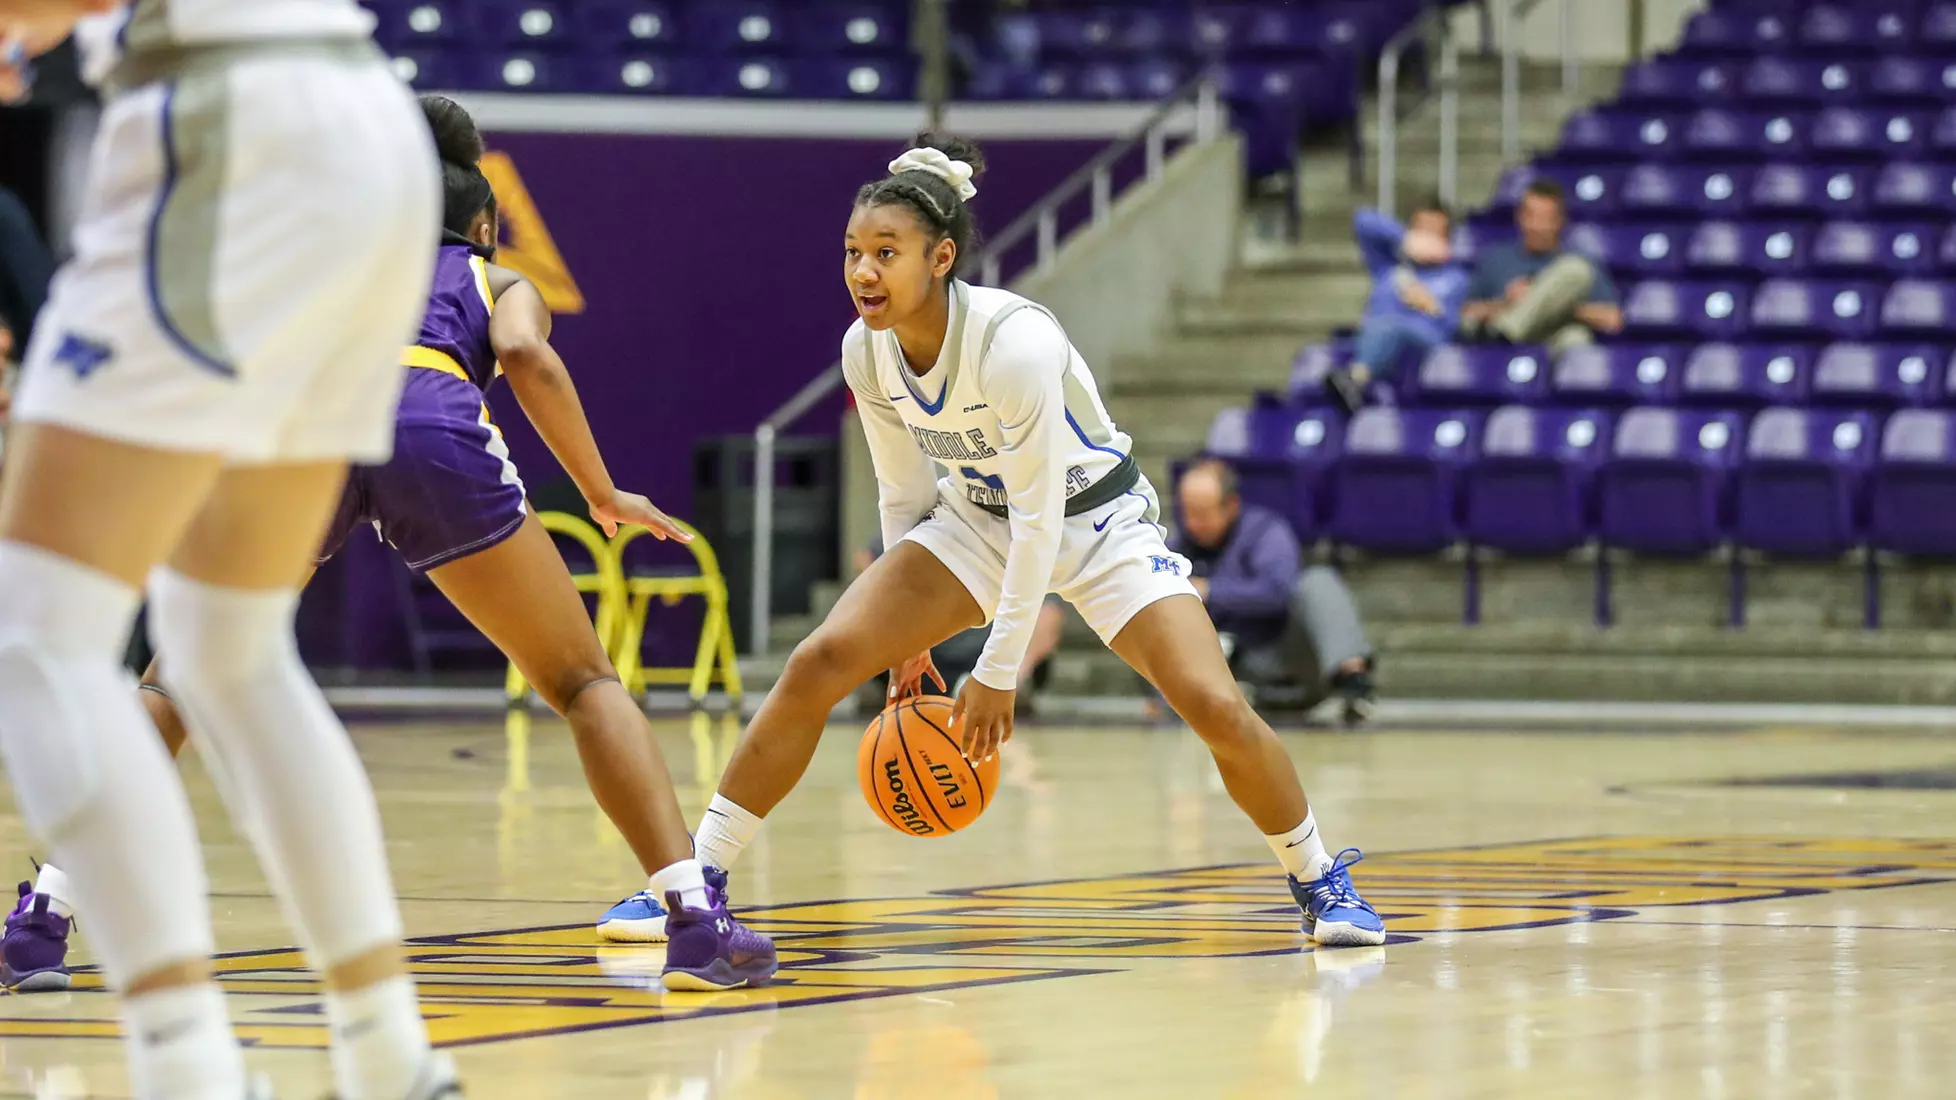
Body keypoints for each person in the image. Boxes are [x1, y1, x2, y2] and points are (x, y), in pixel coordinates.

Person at [4, 94, 778, 999]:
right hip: (429, 422)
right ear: (482, 224)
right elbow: (528, 357)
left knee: (172, 683)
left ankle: (41, 919)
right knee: (582, 683)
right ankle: (693, 919)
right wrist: (601, 491)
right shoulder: (492, 277)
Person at [686, 134, 1385, 948]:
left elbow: (1042, 522)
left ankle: (1319, 878)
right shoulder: (865, 352)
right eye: (853, 252)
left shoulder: (1013, 342)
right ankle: (694, 881)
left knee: (1215, 706)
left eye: (886, 253)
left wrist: (998, 669)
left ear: (941, 258)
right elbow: (904, 494)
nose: (864, 272)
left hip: (1096, 522)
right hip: (976, 520)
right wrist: (906, 643)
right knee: (820, 661)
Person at [0, 2, 461, 1095]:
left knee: (41, 640)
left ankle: (186, 1066)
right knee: (227, 649)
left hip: (228, 122)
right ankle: (387, 1050)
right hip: (363, 124)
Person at [1171, 460, 1377, 725]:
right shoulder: (1177, 544)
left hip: (1289, 654)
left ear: (1231, 505)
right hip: (1239, 665)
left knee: (1318, 581)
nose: (1192, 524)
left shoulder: (1266, 531)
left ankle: (1353, 682)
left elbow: (1278, 591)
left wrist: (1210, 591)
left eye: (1202, 514)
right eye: (1187, 512)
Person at [852, 535, 1065, 714]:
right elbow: (865, 560)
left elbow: (1049, 614)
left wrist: (1015, 671)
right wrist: (905, 636)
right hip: (928, 656)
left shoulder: (1019, 538)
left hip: (993, 656)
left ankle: (1011, 690)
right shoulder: (925, 519)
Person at [1327, 199, 1467, 413]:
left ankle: (1355, 379)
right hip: (1376, 340)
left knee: (1389, 326)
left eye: (1433, 232)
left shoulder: (1454, 278)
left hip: (1425, 343)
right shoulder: (1388, 267)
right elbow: (1362, 220)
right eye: (1420, 230)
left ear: (1445, 240)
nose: (1425, 238)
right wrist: (1404, 238)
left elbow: (1451, 329)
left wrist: (1430, 306)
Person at [1460, 178, 1623, 354]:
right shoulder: (1496, 259)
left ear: (1560, 221)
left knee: (1575, 335)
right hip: (1502, 345)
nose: (1536, 226)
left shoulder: (1582, 262)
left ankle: (1506, 332)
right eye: (1530, 216)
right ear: (1519, 217)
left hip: (1552, 340)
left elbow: (1613, 319)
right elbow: (1466, 314)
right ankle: (1506, 332)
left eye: (1546, 218)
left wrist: (1558, 305)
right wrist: (1505, 302)